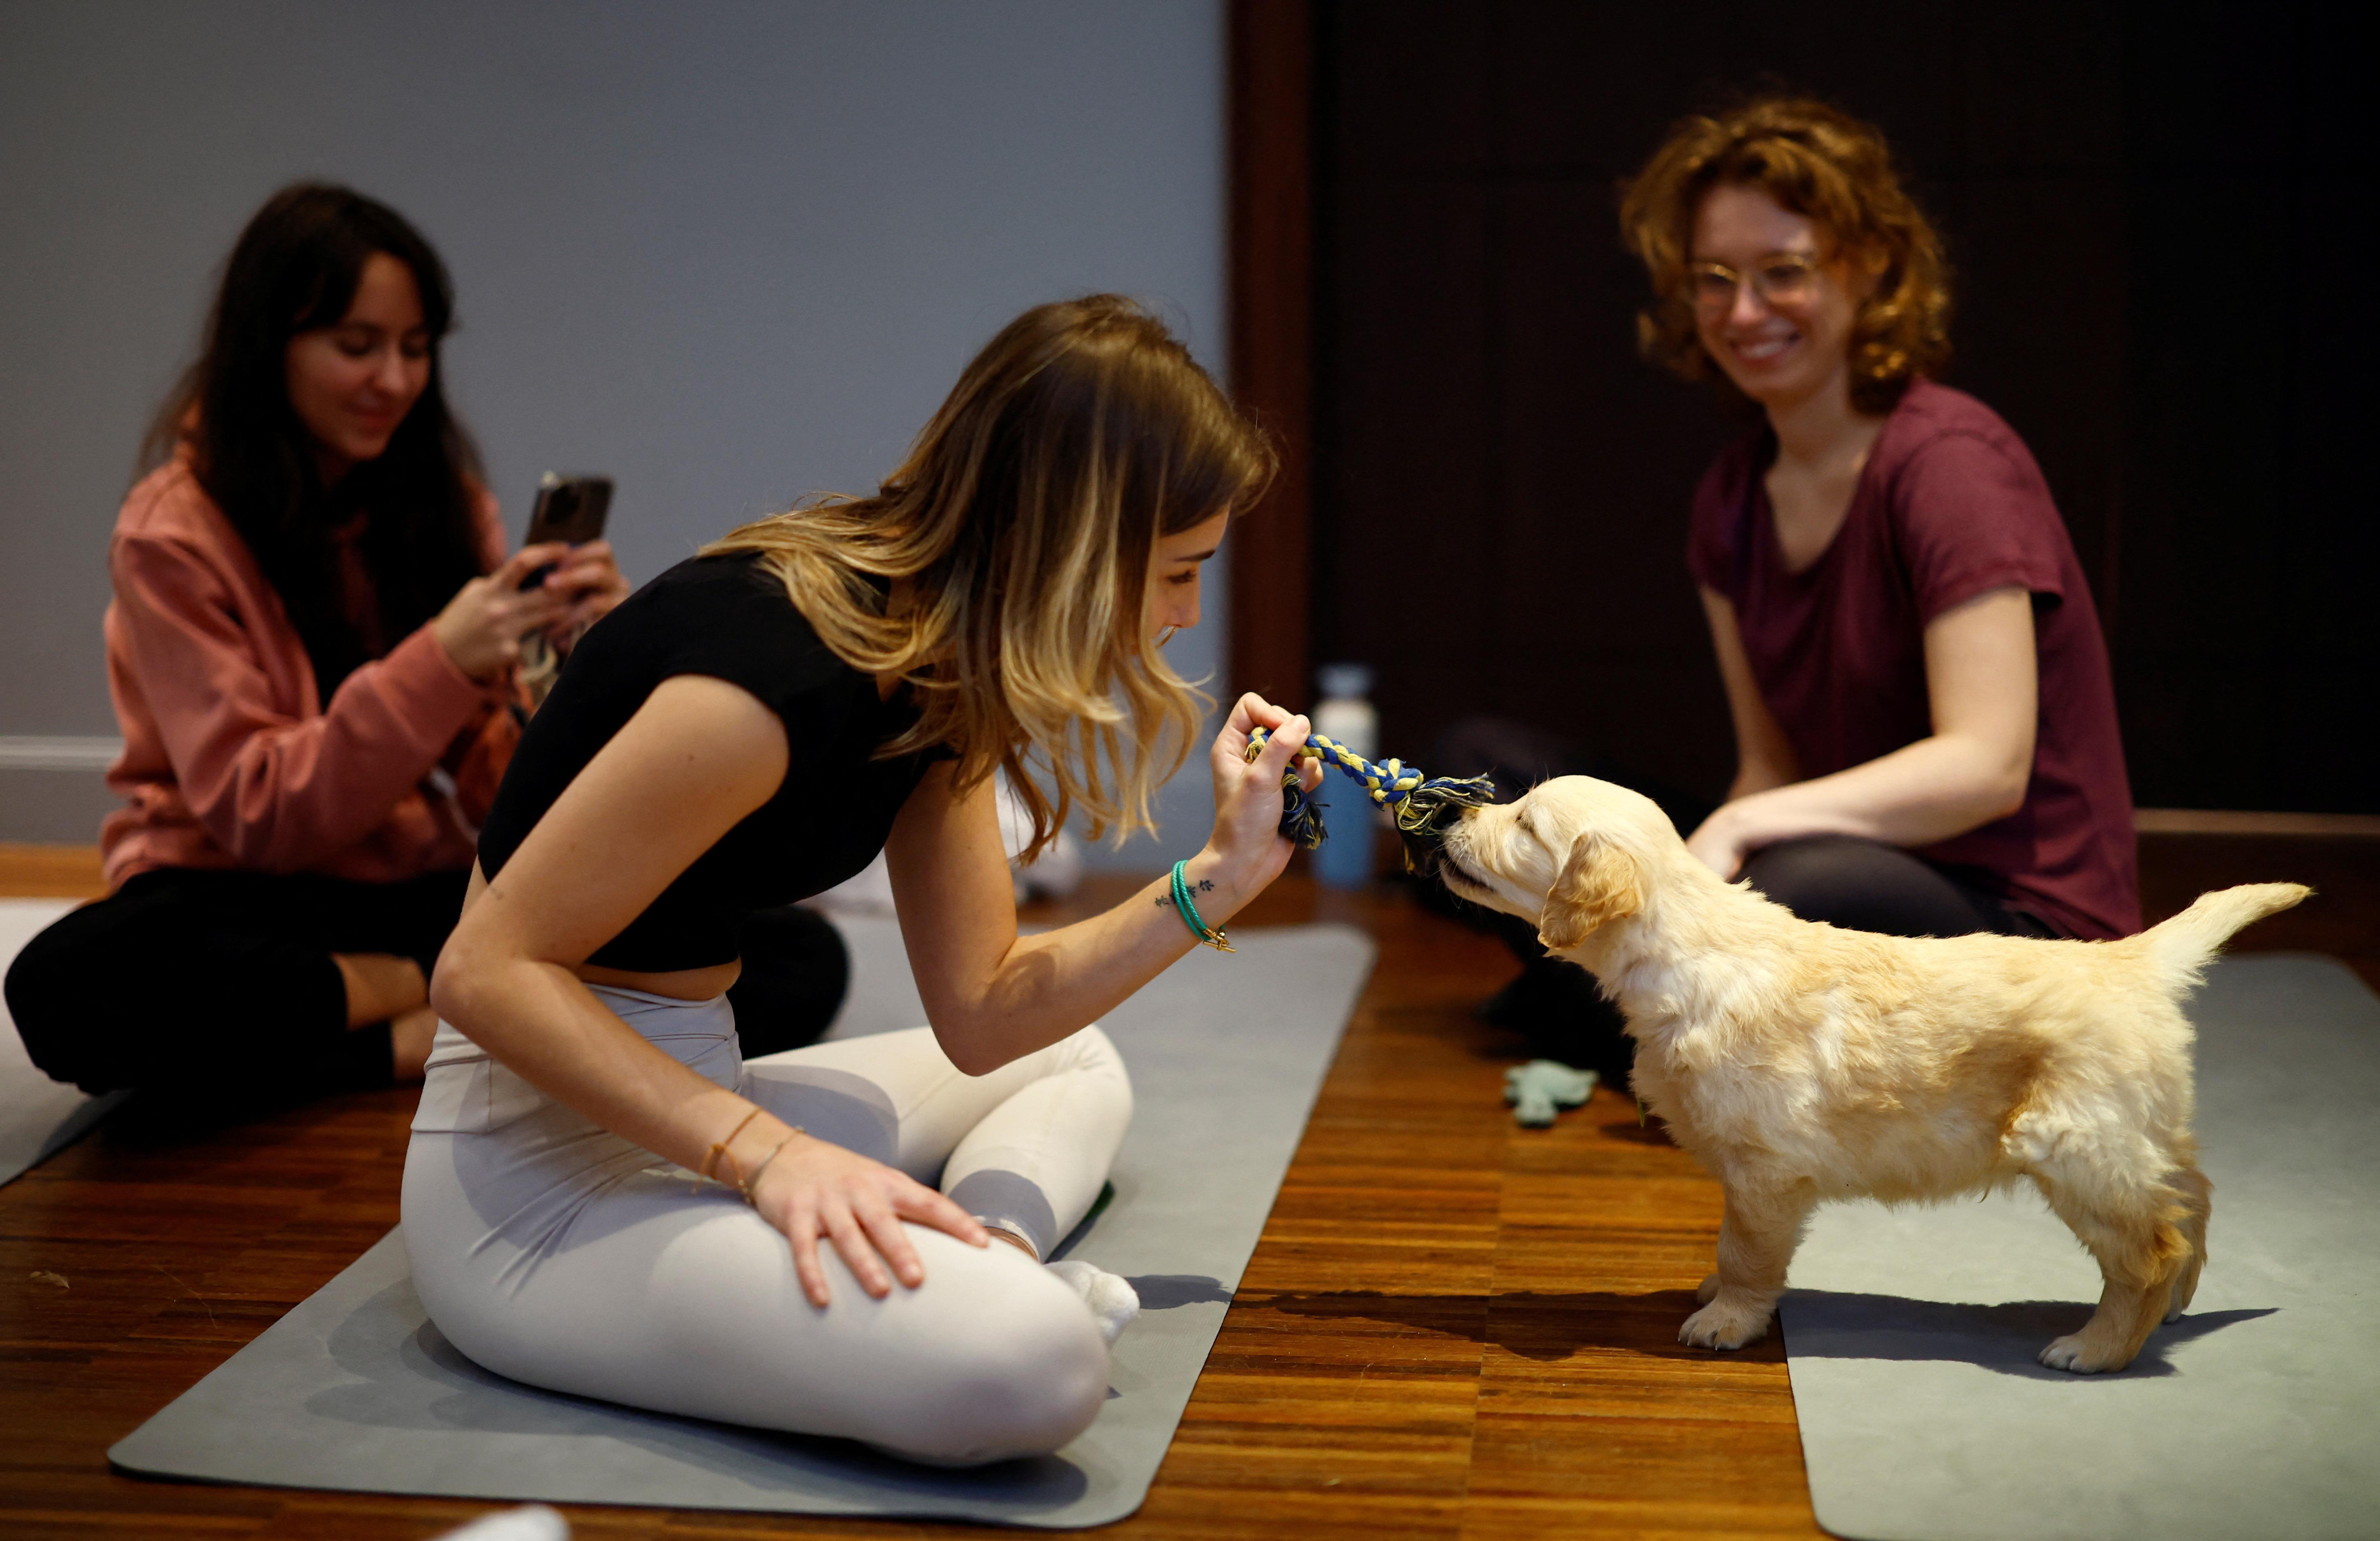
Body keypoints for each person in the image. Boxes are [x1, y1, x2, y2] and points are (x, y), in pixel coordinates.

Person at [401, 296, 1317, 1466]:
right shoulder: (771, 678)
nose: (1186, 616)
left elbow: (986, 1014)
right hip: (527, 1188)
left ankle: (965, 1255)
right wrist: (766, 1155)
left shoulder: (932, 655)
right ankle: (972, 1291)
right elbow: (478, 974)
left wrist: (1214, 883)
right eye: (1176, 573)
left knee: (1071, 1058)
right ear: (1073, 542)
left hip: (682, 1099)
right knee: (1039, 1366)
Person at [1451, 98, 2139, 1076]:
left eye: (1784, 273)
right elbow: (1768, 767)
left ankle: (1600, 1013)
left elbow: (1986, 765)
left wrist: (1733, 838)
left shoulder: (1952, 463)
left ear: (1867, 269)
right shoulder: (1731, 496)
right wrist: (1714, 856)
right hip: (1839, 866)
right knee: (1473, 778)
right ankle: (1631, 1016)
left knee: (1785, 877)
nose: (1743, 312)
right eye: (1715, 280)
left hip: (2020, 924)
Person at [4, 184, 629, 1125]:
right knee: (71, 985)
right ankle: (433, 1020)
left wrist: (573, 668)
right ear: (271, 346)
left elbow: (510, 813)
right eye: (356, 345)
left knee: (781, 951)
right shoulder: (172, 533)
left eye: (415, 349)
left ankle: (400, 1015)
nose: (394, 379)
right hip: (239, 895)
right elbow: (263, 816)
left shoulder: (444, 507)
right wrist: (442, 661)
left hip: (409, 885)